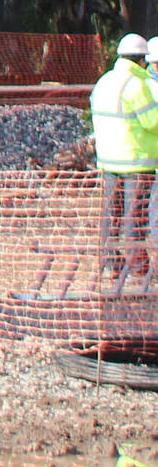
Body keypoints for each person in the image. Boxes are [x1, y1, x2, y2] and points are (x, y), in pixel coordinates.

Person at [91, 34, 158, 288]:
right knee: (134, 215)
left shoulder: (104, 81)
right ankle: (138, 266)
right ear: (142, 60)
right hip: (136, 161)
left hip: (109, 161)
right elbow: (152, 122)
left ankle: (112, 263)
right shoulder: (136, 85)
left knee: (111, 215)